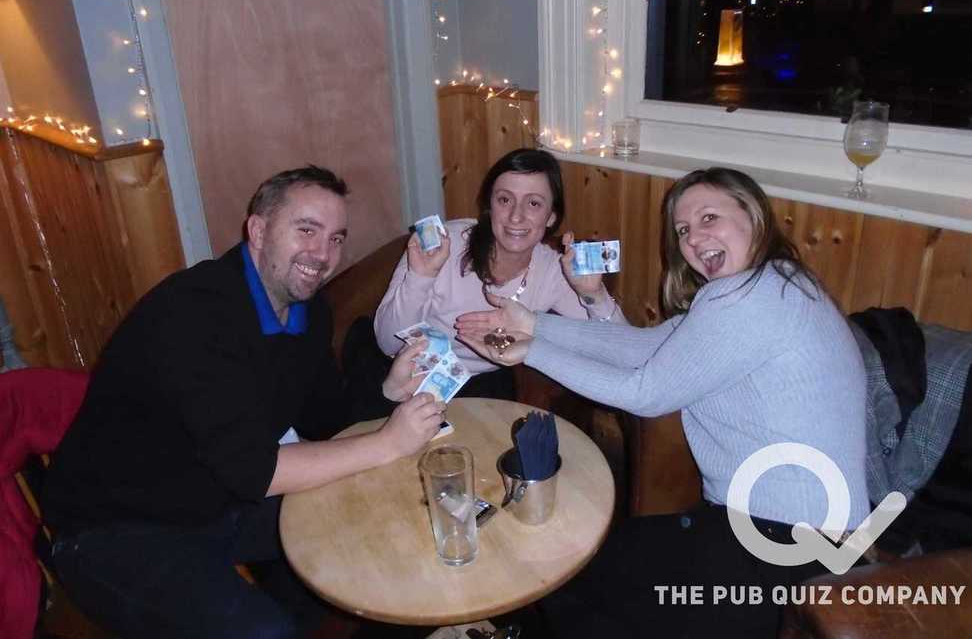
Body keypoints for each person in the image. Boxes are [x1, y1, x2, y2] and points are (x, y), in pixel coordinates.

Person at [456, 167, 869, 638]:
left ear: (754, 215)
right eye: (683, 229)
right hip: (798, 540)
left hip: (784, 552)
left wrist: (529, 350)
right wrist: (534, 324)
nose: (694, 239)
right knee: (586, 567)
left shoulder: (753, 297)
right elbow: (646, 347)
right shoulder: (770, 286)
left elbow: (645, 393)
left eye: (709, 217)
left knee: (571, 575)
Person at [42, 166, 444, 639]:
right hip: (115, 528)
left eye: (336, 238)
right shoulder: (192, 314)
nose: (323, 254)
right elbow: (258, 473)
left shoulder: (307, 312)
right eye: (307, 230)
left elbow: (326, 422)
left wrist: (388, 390)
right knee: (265, 632)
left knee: (375, 522)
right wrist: (388, 442)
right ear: (258, 230)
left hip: (215, 497)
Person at [374, 148, 626, 398]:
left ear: (551, 216)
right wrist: (420, 277)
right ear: (490, 206)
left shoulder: (553, 270)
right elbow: (388, 343)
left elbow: (623, 356)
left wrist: (595, 294)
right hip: (405, 375)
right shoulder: (443, 245)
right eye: (505, 200)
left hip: (480, 385)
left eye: (534, 203)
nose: (516, 216)